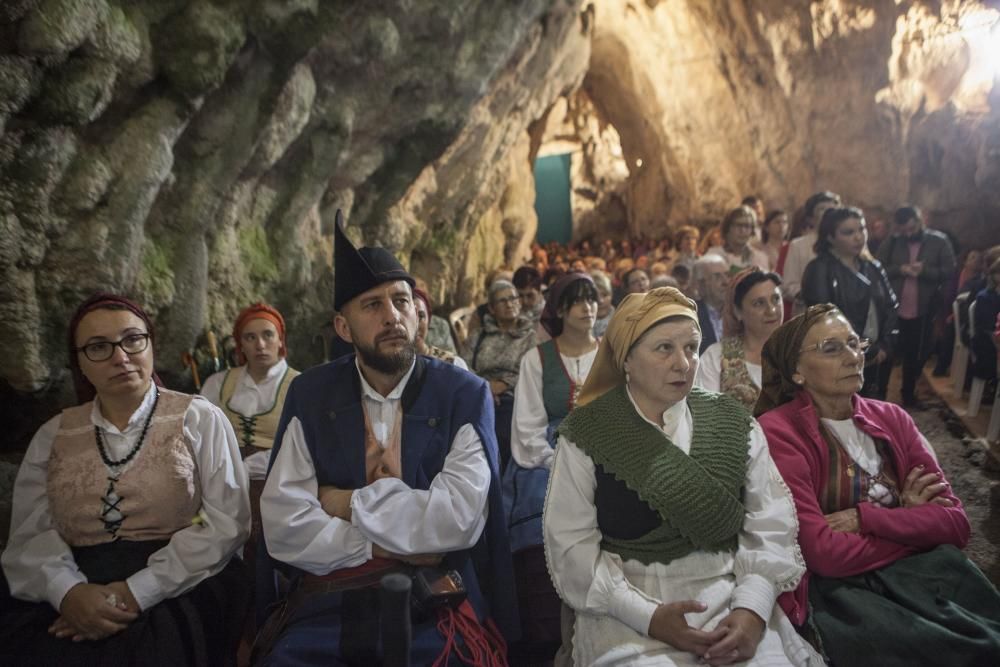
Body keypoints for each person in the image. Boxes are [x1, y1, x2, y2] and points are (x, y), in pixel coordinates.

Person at [257, 216, 516, 664]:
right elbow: (283, 524)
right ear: (343, 327)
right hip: (333, 591)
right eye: (372, 305)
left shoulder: (462, 393)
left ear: (418, 313)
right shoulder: (311, 394)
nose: (392, 315)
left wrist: (345, 503)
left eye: (401, 301)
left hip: (437, 594)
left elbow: (456, 520)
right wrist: (374, 545)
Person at [542, 287, 822, 666]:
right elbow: (572, 548)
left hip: (729, 596)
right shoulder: (587, 434)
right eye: (664, 349)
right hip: (627, 608)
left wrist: (752, 610)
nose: (684, 363)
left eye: (691, 347)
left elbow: (769, 522)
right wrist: (650, 617)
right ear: (625, 359)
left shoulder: (733, 423)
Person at [1, 293, 251, 665]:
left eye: (133, 339)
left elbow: (226, 524)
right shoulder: (54, 435)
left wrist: (137, 591)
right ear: (80, 363)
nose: (121, 356)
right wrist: (68, 593)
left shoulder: (198, 418)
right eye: (99, 347)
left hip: (180, 579)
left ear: (150, 344)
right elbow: (30, 533)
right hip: (72, 579)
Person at [755, 305, 1000, 666]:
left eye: (855, 344)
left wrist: (865, 519)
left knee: (988, 639)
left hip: (921, 572)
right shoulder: (779, 430)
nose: (853, 356)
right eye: (831, 348)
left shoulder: (892, 417)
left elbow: (956, 525)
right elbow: (822, 553)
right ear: (796, 371)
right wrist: (912, 522)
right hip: (846, 592)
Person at [503, 272, 600, 655]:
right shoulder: (536, 359)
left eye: (591, 299)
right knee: (538, 504)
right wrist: (555, 459)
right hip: (548, 453)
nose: (587, 308)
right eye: (578, 300)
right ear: (560, 309)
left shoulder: (611, 352)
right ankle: (546, 620)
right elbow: (526, 429)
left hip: (605, 448)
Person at [802, 207, 897, 400]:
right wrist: (865, 348)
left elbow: (891, 306)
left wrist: (886, 345)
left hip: (880, 354)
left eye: (861, 229)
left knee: (875, 409)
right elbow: (825, 319)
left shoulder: (873, 266)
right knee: (843, 409)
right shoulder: (819, 269)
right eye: (848, 232)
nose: (858, 237)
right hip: (840, 355)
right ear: (830, 237)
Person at [877, 206, 956, 407]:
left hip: (923, 307)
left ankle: (909, 395)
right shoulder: (892, 242)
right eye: (904, 231)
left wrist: (925, 271)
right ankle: (879, 397)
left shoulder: (939, 241)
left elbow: (949, 270)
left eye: (912, 228)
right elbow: (877, 267)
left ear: (921, 221)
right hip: (893, 309)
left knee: (916, 353)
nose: (909, 234)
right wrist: (900, 269)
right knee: (887, 352)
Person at [465, 279, 537, 470]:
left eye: (513, 298)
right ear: (491, 308)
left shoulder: (530, 336)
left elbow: (530, 370)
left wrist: (501, 386)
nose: (510, 304)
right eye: (502, 301)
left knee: (500, 434)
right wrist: (484, 388)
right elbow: (464, 366)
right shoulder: (479, 335)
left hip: (512, 397)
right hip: (478, 394)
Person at [695, 268, 784, 411]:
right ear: (738, 312)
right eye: (759, 303)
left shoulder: (799, 352)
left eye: (776, 299)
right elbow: (704, 414)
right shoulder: (716, 357)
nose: (771, 310)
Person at [781, 191, 841, 313]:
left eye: (832, 209)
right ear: (811, 218)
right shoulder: (798, 245)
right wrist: (810, 293)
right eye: (822, 209)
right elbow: (788, 285)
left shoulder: (843, 243)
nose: (828, 213)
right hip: (808, 312)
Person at [412, 287, 469, 369]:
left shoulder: (454, 365)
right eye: (409, 317)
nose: (415, 324)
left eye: (421, 316)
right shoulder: (390, 367)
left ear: (429, 321)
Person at [706, 206, 770, 272]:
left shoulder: (760, 258)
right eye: (738, 225)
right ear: (728, 228)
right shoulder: (713, 255)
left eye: (747, 226)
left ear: (752, 230)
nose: (743, 230)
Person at [693, 254, 730, 353]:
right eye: (717, 277)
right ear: (701, 284)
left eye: (727, 275)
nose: (726, 282)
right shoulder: (691, 317)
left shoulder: (740, 312)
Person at [591, 270, 615, 337]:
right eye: (594, 297)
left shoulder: (623, 320)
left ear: (611, 295)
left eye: (604, 295)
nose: (600, 301)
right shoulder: (578, 326)